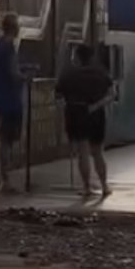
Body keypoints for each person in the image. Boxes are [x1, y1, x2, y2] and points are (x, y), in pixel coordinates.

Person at [55, 44, 114, 197]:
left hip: (76, 114)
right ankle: (104, 186)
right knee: (98, 152)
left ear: (77, 57)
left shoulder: (68, 74)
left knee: (83, 151)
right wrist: (95, 106)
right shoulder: (100, 73)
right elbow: (111, 94)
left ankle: (87, 187)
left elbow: (58, 96)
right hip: (96, 115)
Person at [0, 12, 24, 194]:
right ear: (14, 27)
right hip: (10, 100)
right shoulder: (8, 47)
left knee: (3, 139)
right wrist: (24, 78)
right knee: (6, 140)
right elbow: (13, 72)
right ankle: (4, 180)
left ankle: (1, 178)